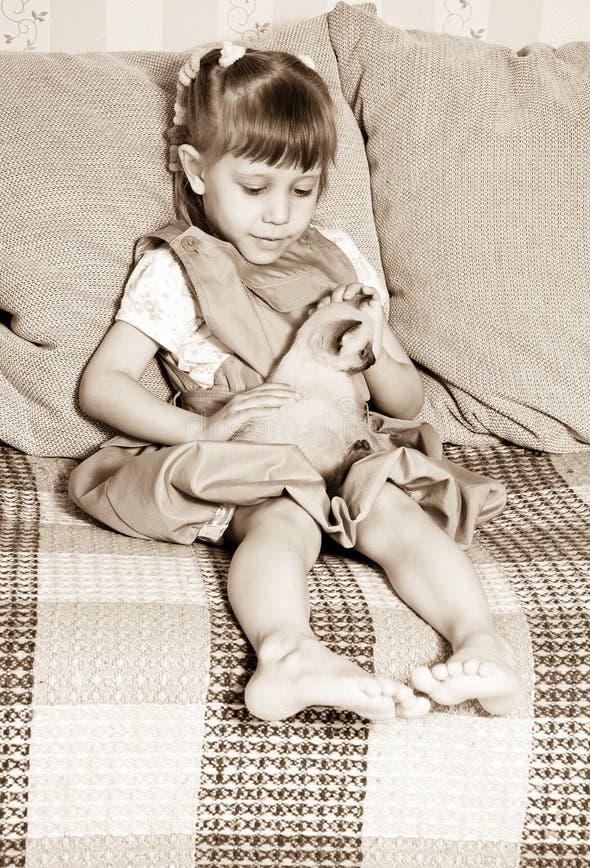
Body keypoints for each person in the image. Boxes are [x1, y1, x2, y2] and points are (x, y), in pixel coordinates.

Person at [68, 41, 523, 723]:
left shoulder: (338, 257)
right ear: (196, 170)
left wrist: (372, 353)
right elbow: (102, 386)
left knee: (396, 512)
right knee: (282, 521)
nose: (280, 214)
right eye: (255, 189)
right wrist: (200, 427)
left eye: (303, 190)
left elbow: (406, 402)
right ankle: (286, 654)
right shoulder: (178, 269)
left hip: (346, 451)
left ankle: (480, 643)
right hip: (254, 461)